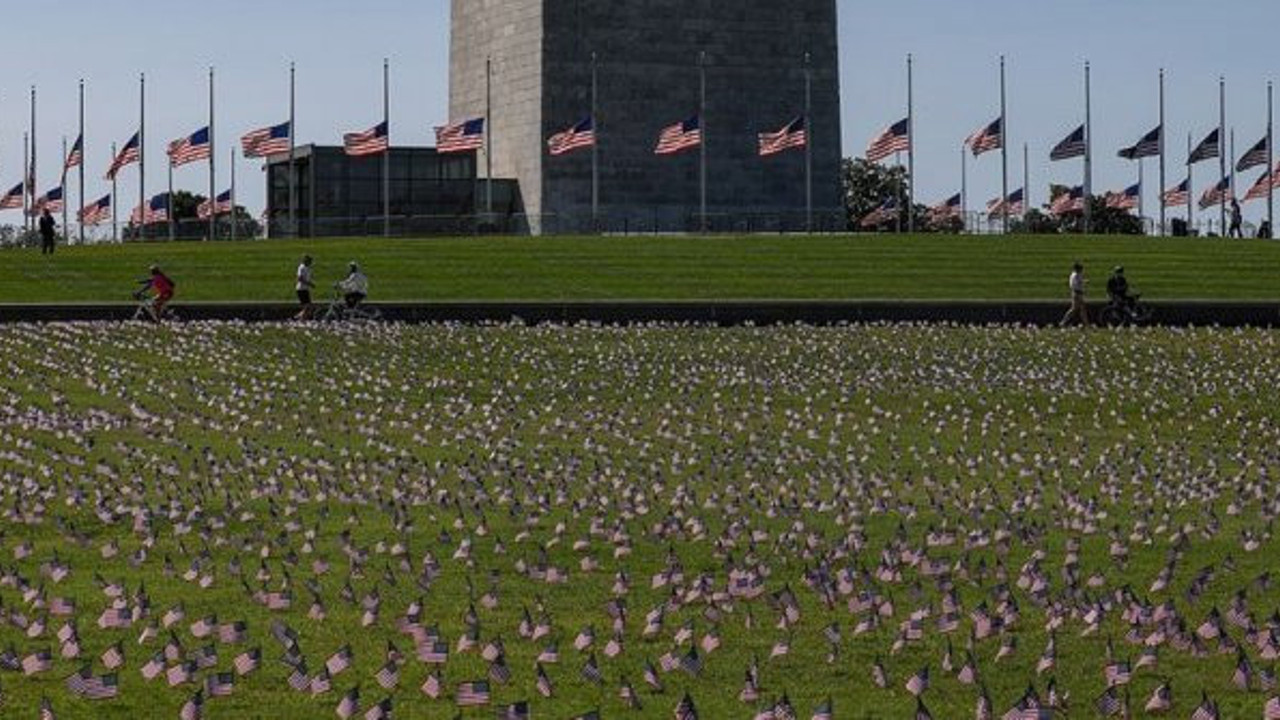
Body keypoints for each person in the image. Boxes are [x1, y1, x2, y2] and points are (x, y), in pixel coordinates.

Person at [1060, 262, 1089, 328]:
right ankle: (1063, 322)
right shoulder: (1076, 275)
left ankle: (1086, 323)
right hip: (1077, 293)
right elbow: (1077, 284)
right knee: (1074, 309)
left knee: (1081, 309)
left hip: (1077, 293)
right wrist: (1084, 282)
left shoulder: (1075, 274)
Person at [295, 255, 316, 320]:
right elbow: (299, 278)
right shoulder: (301, 267)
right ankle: (300, 318)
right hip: (301, 289)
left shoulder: (307, 267)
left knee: (308, 307)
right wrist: (309, 284)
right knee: (307, 306)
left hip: (305, 289)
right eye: (310, 261)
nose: (311, 262)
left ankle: (299, 317)